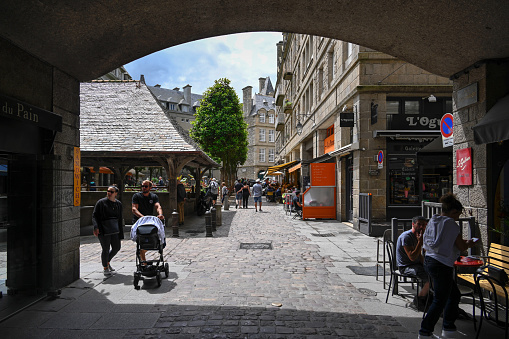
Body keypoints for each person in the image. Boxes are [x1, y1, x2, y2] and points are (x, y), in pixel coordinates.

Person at [418, 193, 477, 339]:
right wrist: (470, 243)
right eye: (457, 214)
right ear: (453, 212)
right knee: (440, 299)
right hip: (441, 263)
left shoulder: (433, 220)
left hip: (430, 260)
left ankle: (449, 326)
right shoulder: (451, 224)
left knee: (453, 294)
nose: (458, 218)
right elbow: (461, 246)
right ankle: (425, 331)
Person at [396, 216, 430, 310]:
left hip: (416, 264)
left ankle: (428, 298)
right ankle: (419, 300)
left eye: (424, 225)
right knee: (430, 279)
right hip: (406, 266)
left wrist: (426, 265)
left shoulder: (420, 236)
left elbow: (419, 255)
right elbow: (412, 257)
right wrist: (420, 242)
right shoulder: (407, 236)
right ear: (413, 224)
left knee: (433, 272)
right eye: (419, 224)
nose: (421, 227)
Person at [92, 185, 124, 277]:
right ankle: (105, 267)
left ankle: (107, 261)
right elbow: (94, 215)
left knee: (116, 247)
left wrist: (120, 233)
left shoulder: (118, 204)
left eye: (111, 192)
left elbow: (120, 218)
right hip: (103, 229)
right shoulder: (101, 203)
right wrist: (96, 227)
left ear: (116, 193)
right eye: (108, 191)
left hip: (115, 229)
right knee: (105, 249)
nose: (109, 193)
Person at [132, 180, 164, 262]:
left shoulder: (153, 196)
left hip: (149, 221)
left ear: (150, 187)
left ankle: (143, 254)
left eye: (146, 186)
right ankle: (143, 261)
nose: (143, 188)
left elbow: (158, 206)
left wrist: (160, 214)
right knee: (141, 241)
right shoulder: (136, 196)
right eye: (142, 186)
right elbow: (134, 209)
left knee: (153, 239)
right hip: (139, 221)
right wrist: (143, 218)